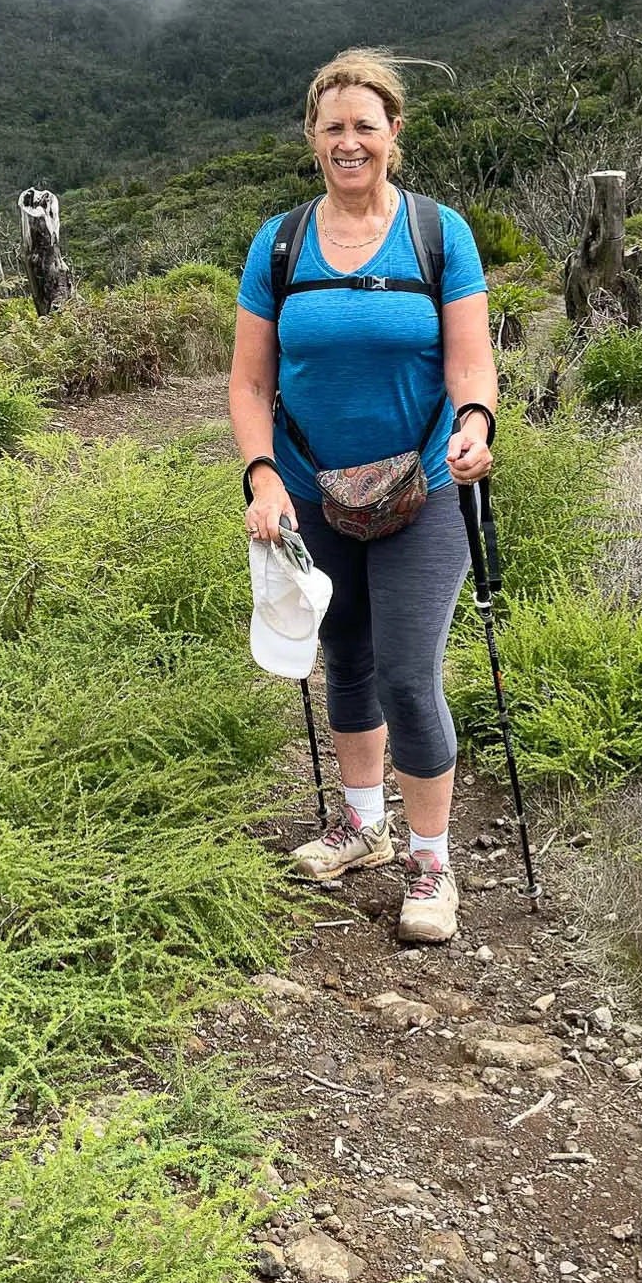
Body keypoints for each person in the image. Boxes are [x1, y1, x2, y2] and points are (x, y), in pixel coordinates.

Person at [229, 49, 496, 944]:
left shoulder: (438, 234)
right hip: (309, 489)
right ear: (313, 137)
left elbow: (469, 361)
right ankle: (362, 825)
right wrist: (263, 474)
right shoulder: (279, 243)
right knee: (343, 657)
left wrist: (475, 422)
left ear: (394, 134)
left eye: (365, 127)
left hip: (426, 484)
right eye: (333, 127)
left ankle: (431, 861)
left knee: (407, 675)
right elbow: (248, 382)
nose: (350, 142)